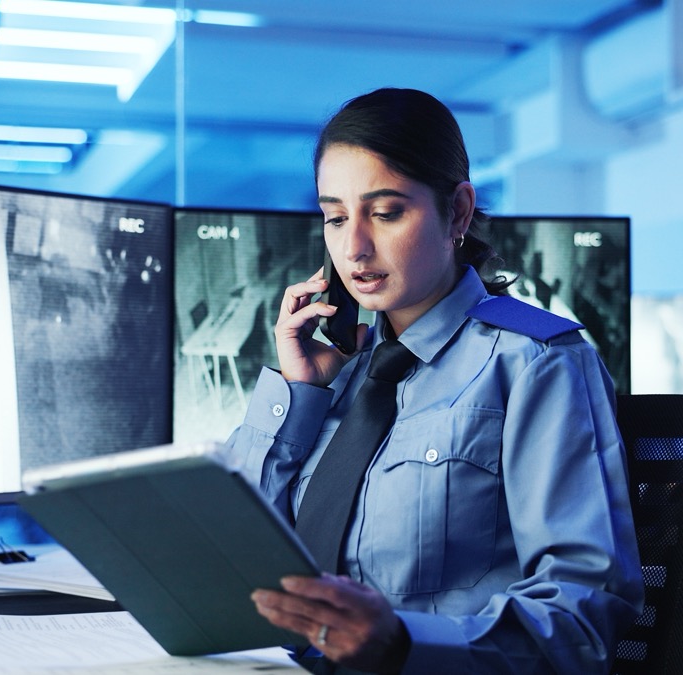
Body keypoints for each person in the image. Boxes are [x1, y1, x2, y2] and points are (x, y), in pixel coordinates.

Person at [224, 87, 642, 674]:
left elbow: (582, 615)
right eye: (335, 217)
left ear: (459, 213)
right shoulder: (342, 373)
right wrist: (299, 395)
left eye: (386, 212)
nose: (353, 248)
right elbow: (232, 563)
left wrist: (402, 643)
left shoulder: (536, 364)